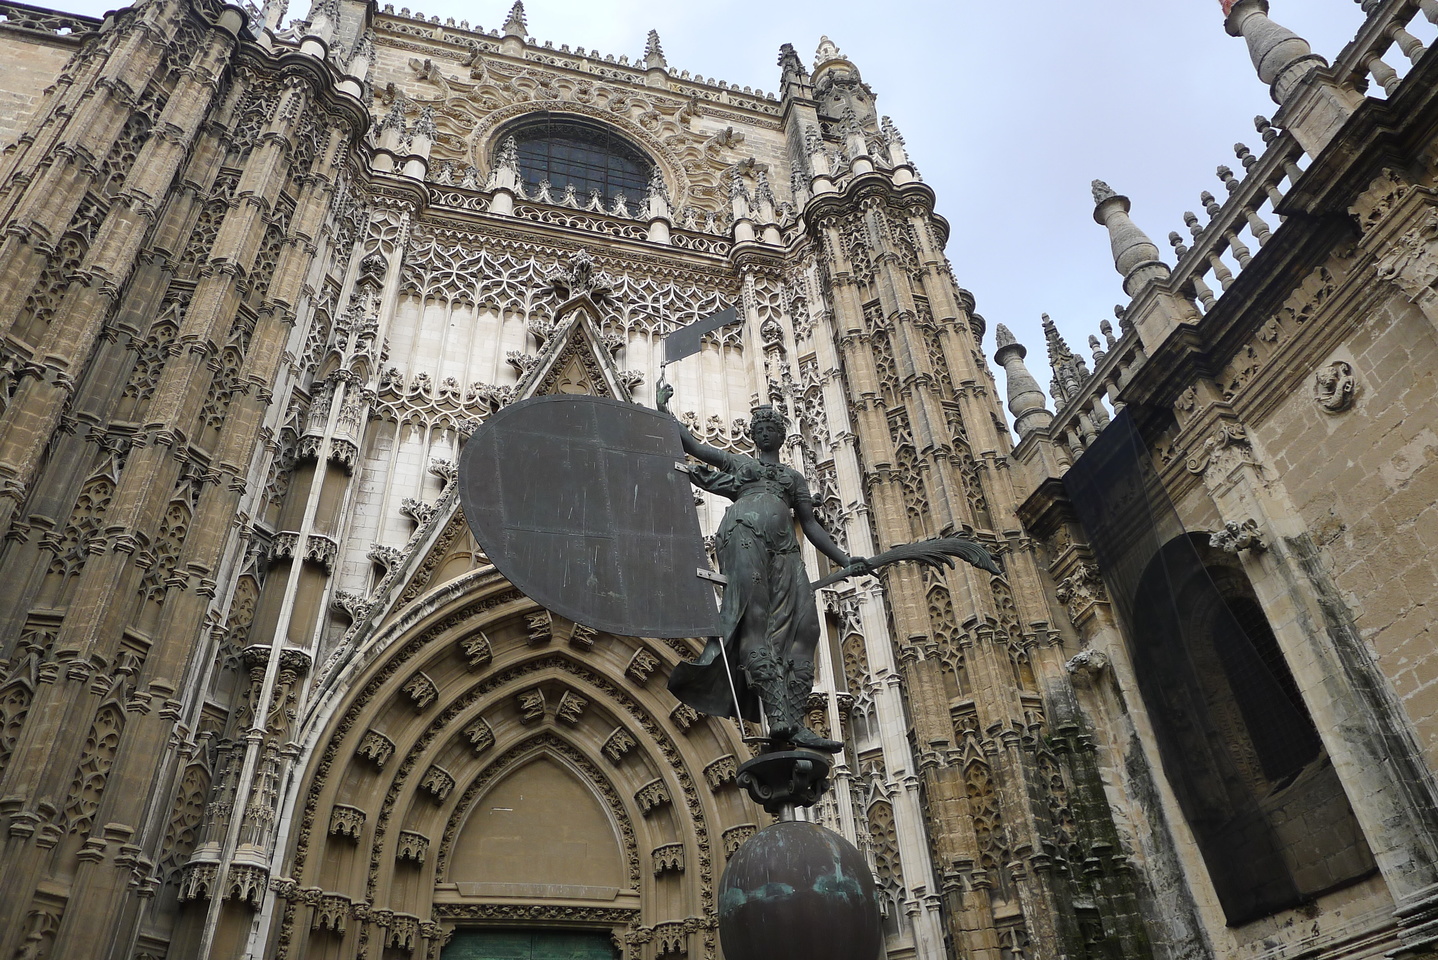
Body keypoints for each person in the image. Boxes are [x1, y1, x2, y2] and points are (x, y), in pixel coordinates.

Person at [658, 383, 868, 752]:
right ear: (754, 436)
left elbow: (811, 524)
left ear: (781, 436)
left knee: (807, 627)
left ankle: (795, 717)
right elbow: (694, 446)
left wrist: (845, 559)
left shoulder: (793, 478)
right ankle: (778, 715)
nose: (766, 433)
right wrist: (664, 410)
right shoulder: (742, 465)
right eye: (760, 429)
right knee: (754, 618)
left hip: (785, 549)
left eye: (772, 429)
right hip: (743, 534)